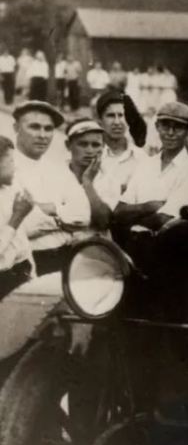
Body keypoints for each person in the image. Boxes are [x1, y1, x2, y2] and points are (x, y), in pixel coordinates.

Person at [11, 101, 90, 275]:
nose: (42, 135)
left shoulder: (58, 169)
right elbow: (18, 228)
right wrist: (61, 221)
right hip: (22, 263)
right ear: (16, 128)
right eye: (34, 127)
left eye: (48, 129)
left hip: (65, 258)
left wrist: (50, 210)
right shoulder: (6, 169)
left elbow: (83, 215)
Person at [113, 101, 188, 233]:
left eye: (178, 127)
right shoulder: (145, 164)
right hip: (134, 248)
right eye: (165, 126)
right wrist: (148, 207)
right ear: (157, 127)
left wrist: (132, 216)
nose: (170, 133)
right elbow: (118, 212)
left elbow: (164, 221)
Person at [94, 89, 148, 210]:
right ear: (100, 121)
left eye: (122, 115)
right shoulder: (90, 155)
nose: (117, 122)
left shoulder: (141, 158)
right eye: (110, 116)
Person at [0, 136, 35, 299]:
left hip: (20, 275)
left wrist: (32, 274)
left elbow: (22, 245)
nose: (16, 167)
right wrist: (17, 217)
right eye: (11, 161)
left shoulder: (8, 191)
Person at [65, 119, 113, 232]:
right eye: (83, 144)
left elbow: (104, 222)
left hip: (94, 245)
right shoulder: (55, 174)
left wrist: (88, 183)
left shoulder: (109, 179)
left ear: (103, 147)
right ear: (68, 145)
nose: (90, 151)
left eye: (95, 145)